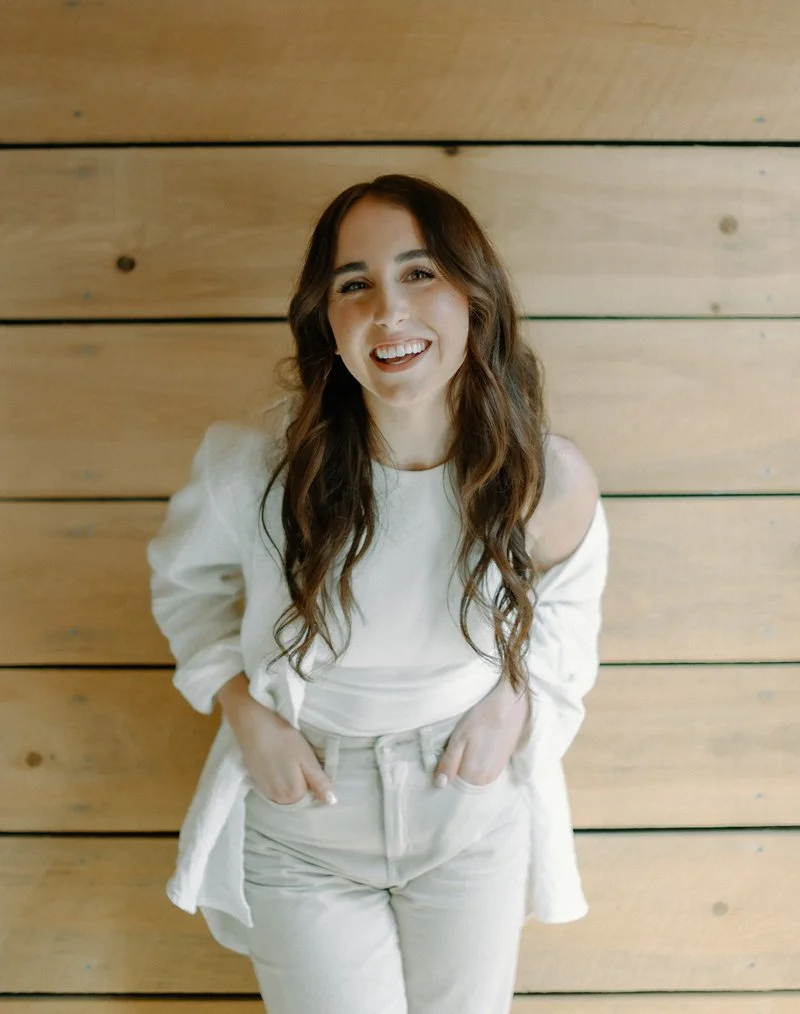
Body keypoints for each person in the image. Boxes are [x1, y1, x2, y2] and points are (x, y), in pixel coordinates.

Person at [146, 172, 610, 1014]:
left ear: (475, 295)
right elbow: (187, 590)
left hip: (466, 810)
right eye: (353, 284)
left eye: (419, 273)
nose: (388, 310)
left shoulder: (545, 478)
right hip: (305, 819)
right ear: (327, 320)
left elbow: (568, 617)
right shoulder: (254, 474)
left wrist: (517, 697)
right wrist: (244, 712)